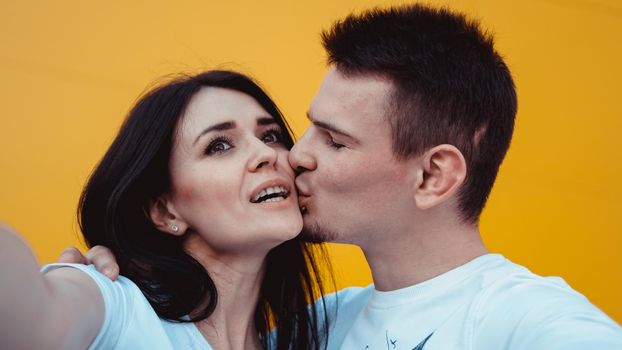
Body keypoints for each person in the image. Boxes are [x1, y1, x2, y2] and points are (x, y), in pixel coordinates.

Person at [68, 3, 622, 349]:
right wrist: (90, 281)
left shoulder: (524, 319)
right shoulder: (315, 328)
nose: (293, 156)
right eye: (303, 130)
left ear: (433, 176)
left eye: (334, 141)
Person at [0, 70, 334, 350]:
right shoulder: (116, 306)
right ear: (165, 212)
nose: (266, 153)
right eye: (219, 145)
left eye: (271, 135)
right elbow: (32, 316)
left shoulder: (326, 334)